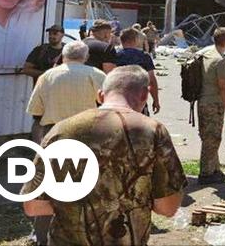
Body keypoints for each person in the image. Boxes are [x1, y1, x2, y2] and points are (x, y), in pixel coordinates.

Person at [22, 65, 186, 246]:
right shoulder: (152, 131)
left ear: (100, 95)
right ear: (145, 95)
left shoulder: (62, 129)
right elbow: (167, 207)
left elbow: (32, 205)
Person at [24, 40, 105, 246]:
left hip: (54, 134)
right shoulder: (96, 75)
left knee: (49, 185)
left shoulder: (47, 76)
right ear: (85, 57)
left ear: (63, 56)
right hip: (88, 134)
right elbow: (107, 106)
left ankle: (41, 236)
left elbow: (36, 111)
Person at [197, 27, 225, 184]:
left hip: (202, 101)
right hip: (214, 104)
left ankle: (214, 169)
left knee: (209, 137)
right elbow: (223, 87)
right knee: (212, 139)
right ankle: (206, 174)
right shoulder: (221, 61)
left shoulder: (206, 54)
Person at [116, 27, 160, 114]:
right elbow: (151, 81)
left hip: (118, 99)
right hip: (139, 99)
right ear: (135, 40)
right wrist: (156, 100)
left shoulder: (115, 56)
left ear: (121, 40)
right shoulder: (144, 56)